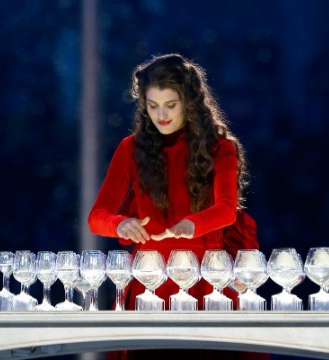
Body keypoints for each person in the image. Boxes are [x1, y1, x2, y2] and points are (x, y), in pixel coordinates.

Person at [88, 54, 267, 360]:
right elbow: (96, 217)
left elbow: (226, 210)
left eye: (170, 105)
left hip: (206, 280)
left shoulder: (221, 148)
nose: (161, 115)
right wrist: (119, 223)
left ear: (189, 102)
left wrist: (192, 224)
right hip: (150, 283)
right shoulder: (130, 148)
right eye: (152, 105)